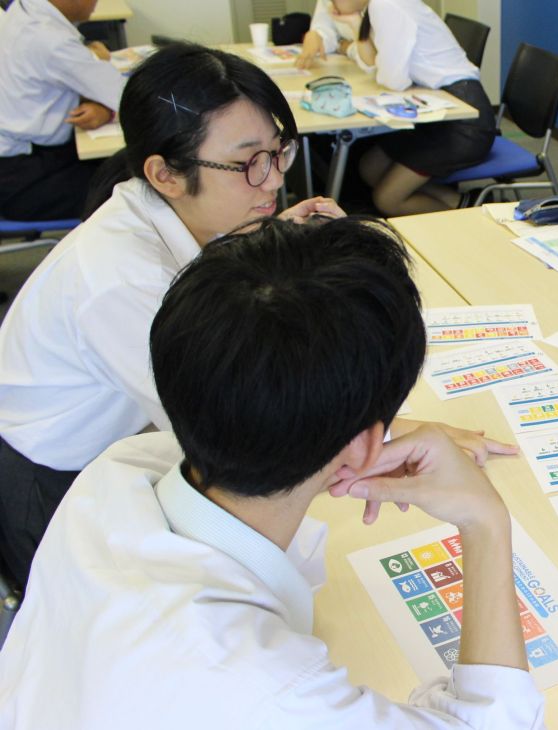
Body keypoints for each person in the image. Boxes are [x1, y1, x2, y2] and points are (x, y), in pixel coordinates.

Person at [0, 217, 546, 729]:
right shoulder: (266, 689)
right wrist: (485, 520)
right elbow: (493, 719)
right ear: (366, 444)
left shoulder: (118, 469)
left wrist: (331, 448)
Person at [0, 42, 506, 589]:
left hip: (123, 441)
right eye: (246, 163)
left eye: (278, 151)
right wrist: (396, 431)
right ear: (165, 173)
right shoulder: (120, 281)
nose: (271, 180)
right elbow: (236, 420)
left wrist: (272, 242)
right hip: (54, 480)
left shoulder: (169, 211)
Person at [295, 0, 495, 215]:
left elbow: (393, 81)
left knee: (387, 200)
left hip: (464, 121)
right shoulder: (374, 8)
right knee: (370, 168)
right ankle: (463, 202)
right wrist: (355, 26)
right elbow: (374, 66)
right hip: (436, 108)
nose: (329, 4)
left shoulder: (385, 5)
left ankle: (472, 218)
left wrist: (359, 37)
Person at [0, 0, 125, 220]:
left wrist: (103, 107)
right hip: (24, 177)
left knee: (122, 166)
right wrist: (109, 109)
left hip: (21, 160)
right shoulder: (50, 39)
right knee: (135, 190)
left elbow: (76, 77)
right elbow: (127, 96)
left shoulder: (22, 10)